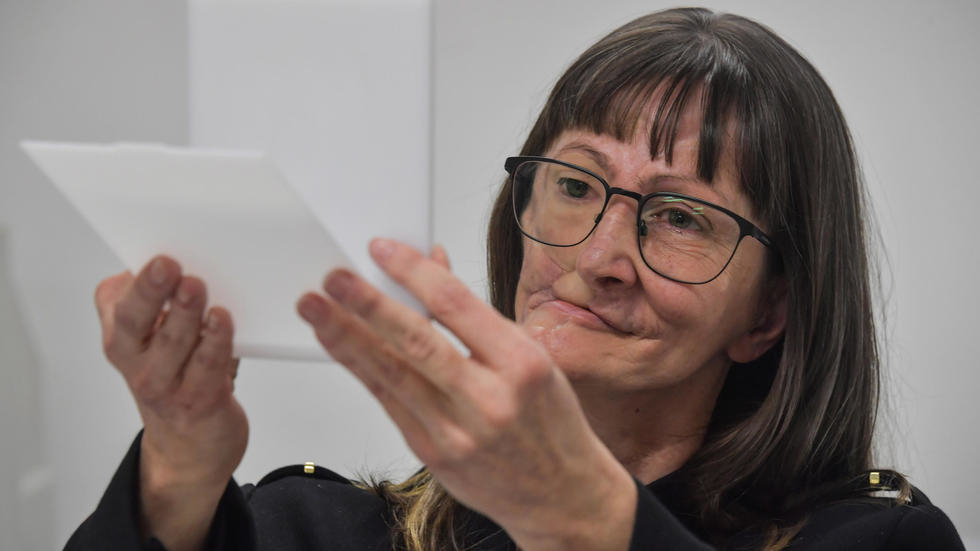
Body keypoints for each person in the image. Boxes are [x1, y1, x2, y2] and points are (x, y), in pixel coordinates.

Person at [65, 7, 964, 551]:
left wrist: (585, 518)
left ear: (769, 311)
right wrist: (180, 462)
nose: (599, 256)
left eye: (681, 215)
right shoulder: (318, 529)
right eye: (575, 186)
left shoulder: (879, 540)